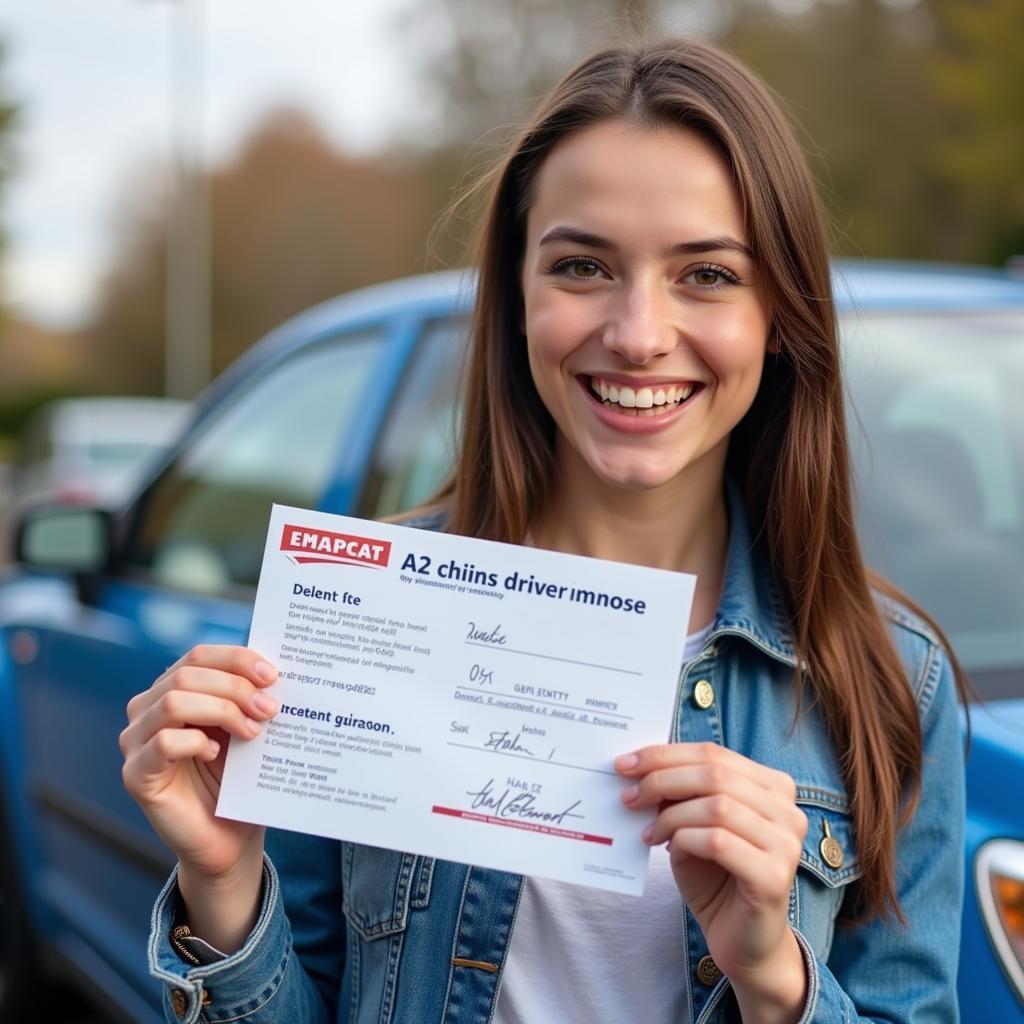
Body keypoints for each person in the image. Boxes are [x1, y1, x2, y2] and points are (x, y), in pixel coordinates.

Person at [121, 37, 966, 1024]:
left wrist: (776, 979)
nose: (639, 332)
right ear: (516, 293)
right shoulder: (361, 620)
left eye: (705, 274)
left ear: (779, 311)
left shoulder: (893, 683)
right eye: (581, 266)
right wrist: (222, 887)